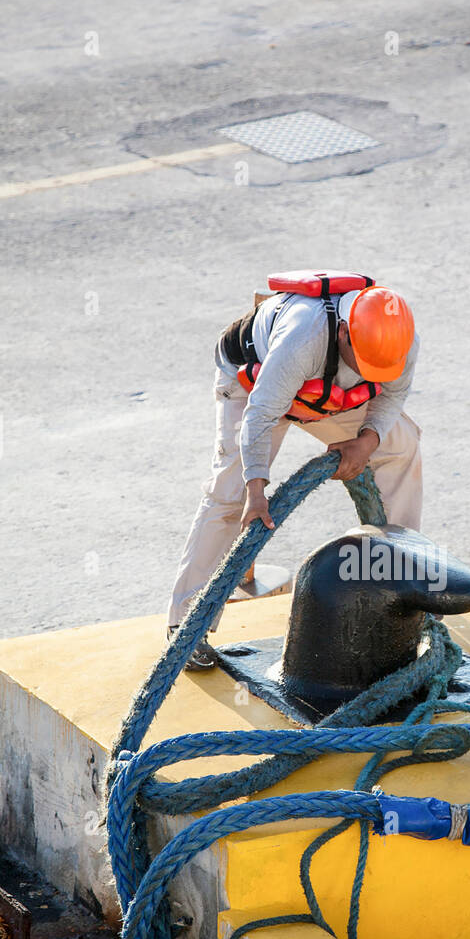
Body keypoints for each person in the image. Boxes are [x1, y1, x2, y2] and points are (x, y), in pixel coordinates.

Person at [166, 273, 422, 668]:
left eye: (379, 368)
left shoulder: (398, 340)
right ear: (343, 334)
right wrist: (256, 491)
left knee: (400, 446)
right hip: (254, 383)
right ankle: (187, 628)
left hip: (324, 393)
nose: (373, 374)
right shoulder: (303, 337)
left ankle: (396, 595)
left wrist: (366, 441)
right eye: (366, 364)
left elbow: (393, 394)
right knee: (230, 495)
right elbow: (260, 415)